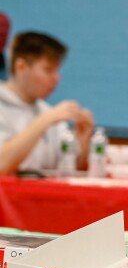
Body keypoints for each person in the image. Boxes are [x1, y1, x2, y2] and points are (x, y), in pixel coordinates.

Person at [0, 31, 94, 174]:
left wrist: (82, 140)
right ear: (21, 67)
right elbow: (2, 164)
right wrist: (42, 122)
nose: (57, 78)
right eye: (48, 70)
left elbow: (69, 170)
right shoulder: (48, 116)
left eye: (57, 71)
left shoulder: (46, 111)